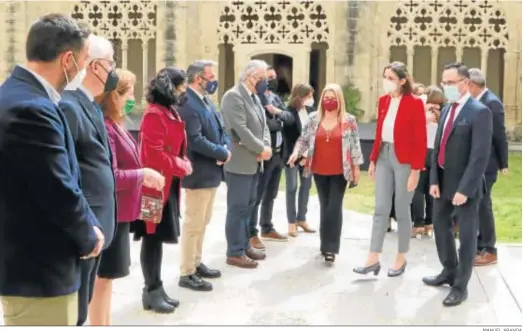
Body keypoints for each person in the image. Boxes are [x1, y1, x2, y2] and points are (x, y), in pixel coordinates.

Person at [0, 14, 103, 326]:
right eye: (85, 60)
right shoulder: (31, 108)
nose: (84, 70)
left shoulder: (18, 94)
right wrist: (89, 235)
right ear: (68, 58)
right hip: (39, 272)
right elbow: (56, 188)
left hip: (31, 265)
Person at [88, 69, 165, 325]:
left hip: (122, 211)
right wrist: (143, 174)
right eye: (129, 93)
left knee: (109, 276)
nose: (133, 98)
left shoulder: (117, 124)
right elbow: (113, 176)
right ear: (114, 96)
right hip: (113, 211)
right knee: (103, 277)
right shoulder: (107, 128)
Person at [60, 33, 119, 326]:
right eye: (111, 63)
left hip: (97, 225)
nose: (114, 70)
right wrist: (84, 224)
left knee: (83, 307)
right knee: (77, 313)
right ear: (95, 66)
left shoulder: (91, 104)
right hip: (85, 227)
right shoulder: (70, 105)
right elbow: (65, 172)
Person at [422, 62, 492, 307]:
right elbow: (437, 148)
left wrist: (465, 189)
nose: (446, 86)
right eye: (444, 82)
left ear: (465, 83)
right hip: (441, 184)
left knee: (467, 237)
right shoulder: (447, 110)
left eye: (450, 82)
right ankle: (448, 271)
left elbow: (479, 156)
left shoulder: (479, 112)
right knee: (441, 229)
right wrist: (433, 179)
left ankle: (460, 286)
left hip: (465, 188)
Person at [353, 62, 427, 277]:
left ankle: (401, 257)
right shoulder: (383, 101)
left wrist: (415, 171)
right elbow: (379, 131)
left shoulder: (414, 103)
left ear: (402, 80)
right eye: (385, 76)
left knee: (402, 208)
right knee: (381, 209)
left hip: (405, 160)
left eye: (391, 77)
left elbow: (420, 139)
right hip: (384, 154)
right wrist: (374, 159)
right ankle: (373, 257)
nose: (386, 81)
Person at [133, 67, 192, 313]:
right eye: (182, 86)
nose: (185, 90)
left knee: (157, 239)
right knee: (152, 238)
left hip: (167, 185)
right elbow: (153, 155)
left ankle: (156, 288)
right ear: (173, 87)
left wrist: (181, 163)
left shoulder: (169, 111)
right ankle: (151, 290)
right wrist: (182, 165)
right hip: (153, 187)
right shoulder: (154, 114)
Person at [288, 83, 364, 264]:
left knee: (334, 207)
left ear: (339, 100)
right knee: (325, 205)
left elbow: (355, 146)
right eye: (326, 97)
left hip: (340, 171)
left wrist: (355, 169)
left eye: (333, 98)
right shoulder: (314, 118)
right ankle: (325, 244)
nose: (329, 101)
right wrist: (296, 153)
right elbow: (303, 140)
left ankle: (331, 248)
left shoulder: (349, 120)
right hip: (319, 170)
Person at [178, 60, 231, 292]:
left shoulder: (206, 101)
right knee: (193, 224)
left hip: (211, 171)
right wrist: (220, 152)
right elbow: (194, 139)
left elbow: (221, 129)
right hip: (198, 173)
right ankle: (187, 271)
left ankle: (197, 262)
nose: (213, 81)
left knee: (204, 222)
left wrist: (226, 149)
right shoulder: (188, 103)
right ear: (198, 78)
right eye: (210, 76)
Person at [220, 59, 272, 268]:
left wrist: (265, 147)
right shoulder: (233, 96)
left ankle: (244, 245)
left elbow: (264, 126)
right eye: (261, 78)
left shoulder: (254, 97)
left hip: (254, 162)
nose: (264, 82)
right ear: (249, 77)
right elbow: (241, 129)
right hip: (239, 163)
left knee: (249, 206)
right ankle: (234, 251)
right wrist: (261, 149)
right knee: (237, 208)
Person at [249, 66, 294, 249]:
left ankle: (266, 227)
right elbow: (265, 125)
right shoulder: (255, 99)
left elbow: (289, 118)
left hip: (278, 154)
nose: (272, 81)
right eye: (268, 78)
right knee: (257, 195)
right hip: (263, 154)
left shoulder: (275, 98)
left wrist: (277, 114)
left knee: (271, 194)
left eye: (274, 77)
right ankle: (251, 232)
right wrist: (279, 122)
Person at [467, 68, 509, 266]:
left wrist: (504, 163)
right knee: (476, 204)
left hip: (488, 163)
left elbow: (499, 134)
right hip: (476, 162)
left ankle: (489, 249)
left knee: (484, 204)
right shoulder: (476, 101)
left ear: (473, 86)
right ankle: (477, 244)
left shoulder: (492, 103)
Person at [411, 86, 445, 238]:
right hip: (436, 153)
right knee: (432, 188)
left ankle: (418, 224)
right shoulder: (443, 113)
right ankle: (429, 223)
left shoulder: (422, 111)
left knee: (418, 189)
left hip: (422, 150)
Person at [283, 83, 315, 237]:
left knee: (306, 186)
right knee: (291, 187)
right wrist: (299, 155)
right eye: (309, 96)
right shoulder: (289, 112)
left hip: (308, 155)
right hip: (292, 155)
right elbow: (291, 137)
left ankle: (301, 218)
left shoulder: (310, 111)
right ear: (300, 96)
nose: (311, 99)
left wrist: (307, 154)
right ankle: (291, 222)